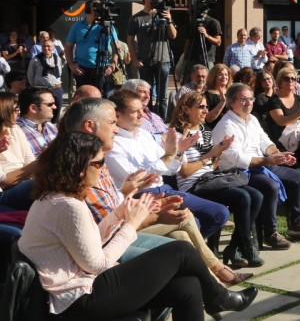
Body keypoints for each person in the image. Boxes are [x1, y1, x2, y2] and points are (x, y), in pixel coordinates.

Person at [17, 132, 257, 321]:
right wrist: (131, 224)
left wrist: (120, 213)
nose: (103, 169)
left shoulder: (56, 198)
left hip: (82, 288)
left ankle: (217, 297)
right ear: (79, 168)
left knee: (188, 287)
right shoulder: (67, 205)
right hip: (79, 300)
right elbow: (97, 263)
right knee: (180, 251)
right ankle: (219, 297)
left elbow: (90, 242)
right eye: (100, 163)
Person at [104, 90, 231, 239]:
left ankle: (193, 247)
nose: (141, 115)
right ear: (118, 115)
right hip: (141, 197)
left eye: (142, 110)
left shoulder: (143, 134)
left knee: (219, 213)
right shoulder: (113, 143)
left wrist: (178, 152)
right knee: (202, 220)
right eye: (135, 111)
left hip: (164, 189)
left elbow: (170, 169)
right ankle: (191, 248)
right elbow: (137, 179)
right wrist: (168, 156)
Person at [213, 83, 300, 246]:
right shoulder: (226, 125)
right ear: (232, 102)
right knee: (270, 186)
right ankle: (270, 232)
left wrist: (278, 155)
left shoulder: (252, 119)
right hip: (238, 172)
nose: (248, 103)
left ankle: (297, 224)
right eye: (243, 99)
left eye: (251, 99)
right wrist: (268, 160)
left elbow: (265, 142)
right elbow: (238, 159)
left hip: (261, 165)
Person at [171, 90, 263, 272]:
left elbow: (211, 166)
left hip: (209, 179)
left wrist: (218, 154)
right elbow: (184, 172)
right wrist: (210, 155)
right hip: (193, 186)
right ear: (186, 109)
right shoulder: (178, 135)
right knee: (242, 197)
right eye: (201, 107)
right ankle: (246, 247)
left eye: (206, 106)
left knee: (256, 196)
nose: (206, 110)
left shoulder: (205, 131)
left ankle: (234, 247)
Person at [126, 0, 177, 115]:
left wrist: (169, 20)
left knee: (162, 95)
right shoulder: (136, 18)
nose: (157, 0)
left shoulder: (163, 15)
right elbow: (130, 40)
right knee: (145, 94)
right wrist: (134, 59)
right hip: (145, 60)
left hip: (163, 59)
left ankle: (161, 119)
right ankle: (146, 117)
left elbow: (173, 35)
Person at [265, 67, 300, 175]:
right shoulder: (274, 101)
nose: (290, 81)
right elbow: (281, 121)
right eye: (286, 78)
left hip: (299, 134)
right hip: (281, 135)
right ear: (280, 82)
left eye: (293, 79)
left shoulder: (299, 98)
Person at [64, 0, 120, 90]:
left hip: (103, 68)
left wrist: (113, 64)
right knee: (84, 94)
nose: (98, 9)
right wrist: (71, 64)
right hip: (82, 69)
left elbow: (116, 48)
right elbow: (68, 47)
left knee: (101, 95)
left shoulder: (108, 26)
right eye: (95, 6)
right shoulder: (77, 26)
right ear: (87, 9)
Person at [17, 86, 59, 155]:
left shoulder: (51, 127)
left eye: (54, 103)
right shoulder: (17, 132)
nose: (55, 107)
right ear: (33, 108)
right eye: (50, 104)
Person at [28, 37, 66, 110]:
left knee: (57, 110)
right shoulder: (35, 59)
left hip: (56, 88)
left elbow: (60, 72)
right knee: (42, 110)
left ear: (53, 48)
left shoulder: (57, 58)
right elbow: (30, 75)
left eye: (48, 46)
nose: (46, 48)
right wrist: (36, 86)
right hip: (41, 89)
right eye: (44, 46)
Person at [181, 4, 222, 72]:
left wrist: (206, 35)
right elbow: (188, 42)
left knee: (207, 78)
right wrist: (184, 59)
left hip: (207, 59)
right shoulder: (192, 23)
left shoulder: (213, 22)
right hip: (192, 59)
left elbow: (218, 42)